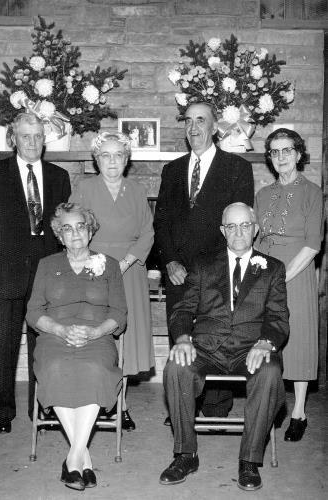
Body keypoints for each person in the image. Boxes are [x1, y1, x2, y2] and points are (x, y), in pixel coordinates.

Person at [159, 202, 289, 491]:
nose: (238, 232)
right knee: (176, 366)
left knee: (268, 374)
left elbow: (278, 317)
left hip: (251, 348)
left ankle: (249, 461)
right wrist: (182, 339)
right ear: (222, 230)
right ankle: (185, 454)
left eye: (245, 225)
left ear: (255, 229)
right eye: (231, 226)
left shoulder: (273, 268)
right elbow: (183, 309)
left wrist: (265, 343)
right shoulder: (204, 265)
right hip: (207, 347)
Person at [154, 101, 254, 420]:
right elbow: (162, 222)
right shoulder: (171, 170)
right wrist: (169, 262)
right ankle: (184, 403)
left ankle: (216, 403)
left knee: (217, 335)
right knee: (181, 335)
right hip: (179, 272)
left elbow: (238, 227)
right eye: (188, 121)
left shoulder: (237, 169)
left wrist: (218, 270)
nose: (194, 127)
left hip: (219, 273)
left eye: (201, 120)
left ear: (214, 128)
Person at [0, 112, 71, 433]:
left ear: (45, 140)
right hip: (2, 276)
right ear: (13, 139)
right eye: (26, 136)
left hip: (46, 277)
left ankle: (40, 409)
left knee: (42, 346)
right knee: (2, 346)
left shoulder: (59, 177)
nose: (32, 143)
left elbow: (64, 231)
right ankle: (1, 414)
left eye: (38, 136)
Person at [26, 203, 127, 491]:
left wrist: (95, 332)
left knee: (93, 368)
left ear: (90, 229)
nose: (75, 233)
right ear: (59, 235)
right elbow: (33, 312)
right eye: (67, 228)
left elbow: (119, 313)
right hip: (54, 337)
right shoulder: (47, 265)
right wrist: (59, 329)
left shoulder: (108, 264)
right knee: (55, 366)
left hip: (97, 338)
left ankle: (72, 458)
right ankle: (83, 459)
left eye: (80, 226)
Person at [70, 131, 155, 430]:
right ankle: (96, 399)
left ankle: (122, 403)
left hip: (129, 271)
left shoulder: (136, 189)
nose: (112, 161)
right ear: (96, 160)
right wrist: (92, 262)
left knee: (126, 340)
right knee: (97, 335)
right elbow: (73, 229)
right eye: (105, 155)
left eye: (118, 155)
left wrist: (125, 262)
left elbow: (147, 232)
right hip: (93, 270)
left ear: (127, 159)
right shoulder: (84, 188)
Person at [254, 128, 324, 442]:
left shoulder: (312, 192)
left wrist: (281, 277)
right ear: (270, 158)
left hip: (298, 271)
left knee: (298, 339)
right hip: (266, 271)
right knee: (267, 336)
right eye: (275, 152)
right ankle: (269, 402)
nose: (281, 157)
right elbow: (256, 238)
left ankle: (298, 411)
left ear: (298, 154)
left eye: (287, 151)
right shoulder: (263, 194)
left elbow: (312, 245)